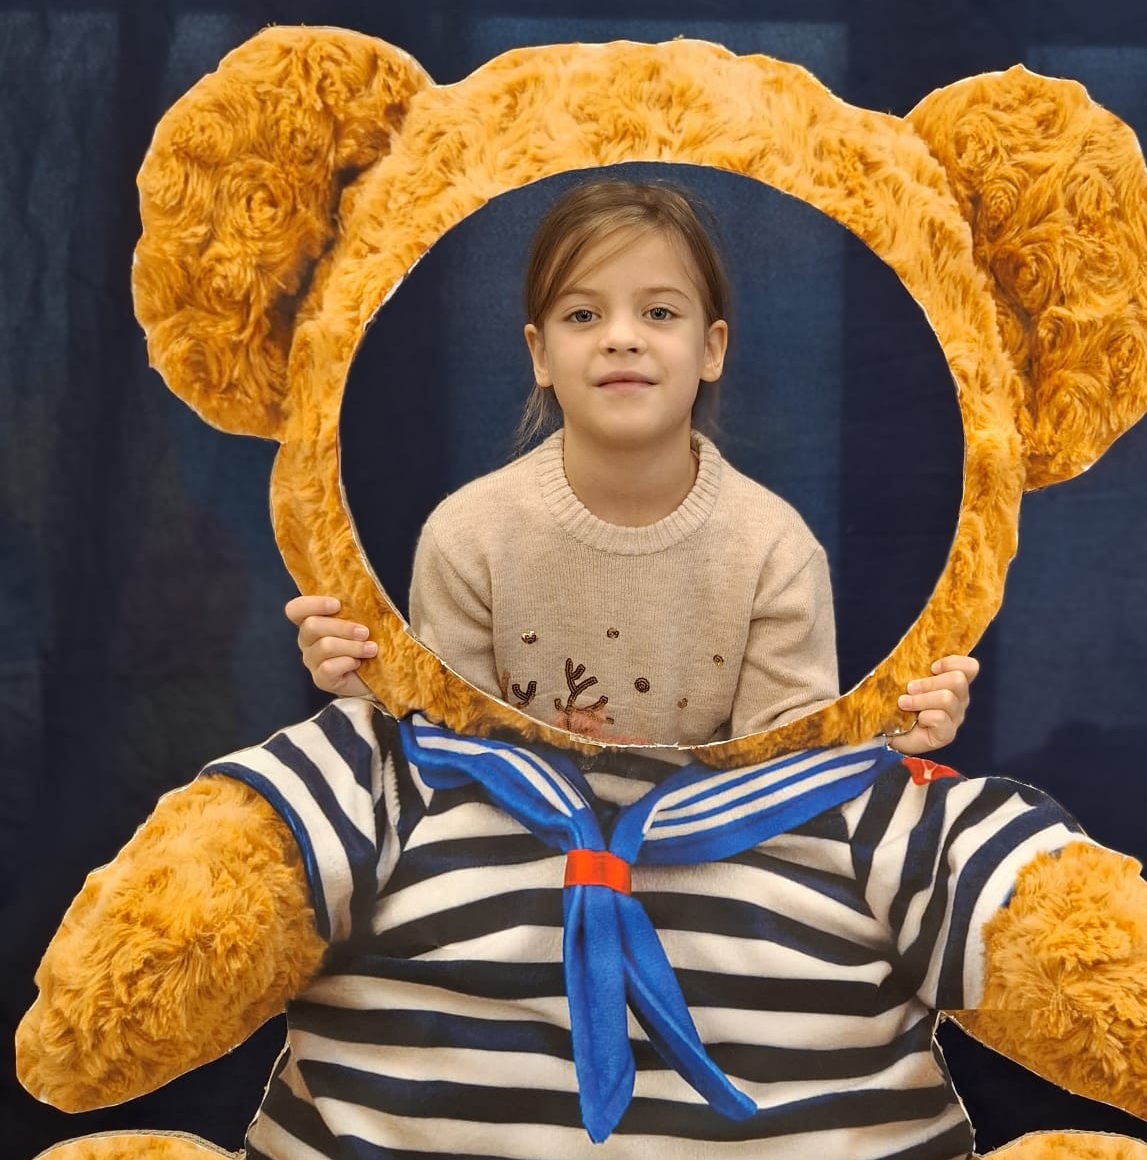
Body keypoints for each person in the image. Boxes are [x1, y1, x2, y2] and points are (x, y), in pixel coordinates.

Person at [288, 178, 978, 752]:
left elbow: (790, 773)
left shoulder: (775, 552)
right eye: (582, 316)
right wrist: (374, 692)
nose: (621, 338)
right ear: (539, 354)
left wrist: (888, 740)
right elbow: (445, 753)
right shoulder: (467, 538)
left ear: (711, 350)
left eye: (659, 312)